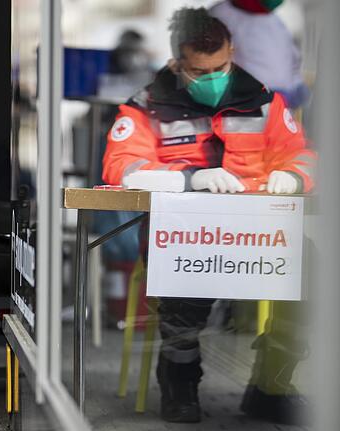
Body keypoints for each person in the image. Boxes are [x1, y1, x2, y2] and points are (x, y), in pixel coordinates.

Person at [102, 8, 315, 424]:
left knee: (317, 277)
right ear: (177, 63)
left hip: (260, 235)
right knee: (183, 292)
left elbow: (300, 154)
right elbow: (122, 168)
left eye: (221, 67)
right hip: (184, 236)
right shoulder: (145, 108)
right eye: (200, 71)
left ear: (232, 52)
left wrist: (293, 176)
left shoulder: (265, 102)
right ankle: (180, 383)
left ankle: (272, 384)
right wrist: (190, 178)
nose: (213, 77)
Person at [209, 0, 309, 108]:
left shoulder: (274, 19)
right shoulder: (221, 14)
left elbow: (291, 56)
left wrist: (296, 84)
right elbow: (215, 59)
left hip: (282, 99)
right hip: (249, 101)